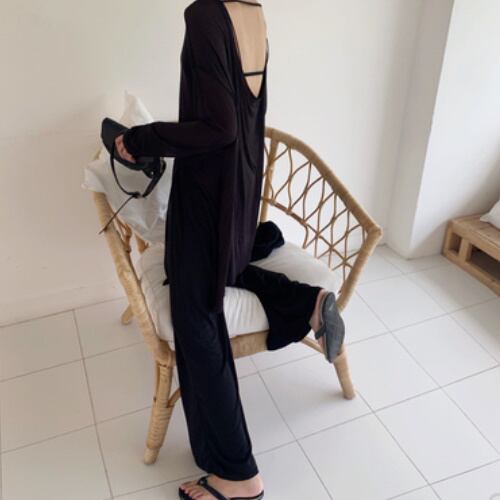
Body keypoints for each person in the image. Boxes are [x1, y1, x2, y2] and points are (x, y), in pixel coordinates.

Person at [114, 0, 344, 498]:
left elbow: (217, 127)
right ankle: (308, 302)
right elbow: (242, 119)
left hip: (207, 190)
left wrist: (144, 138)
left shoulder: (204, 14)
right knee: (223, 265)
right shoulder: (253, 12)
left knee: (196, 316)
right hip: (242, 181)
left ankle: (239, 474)